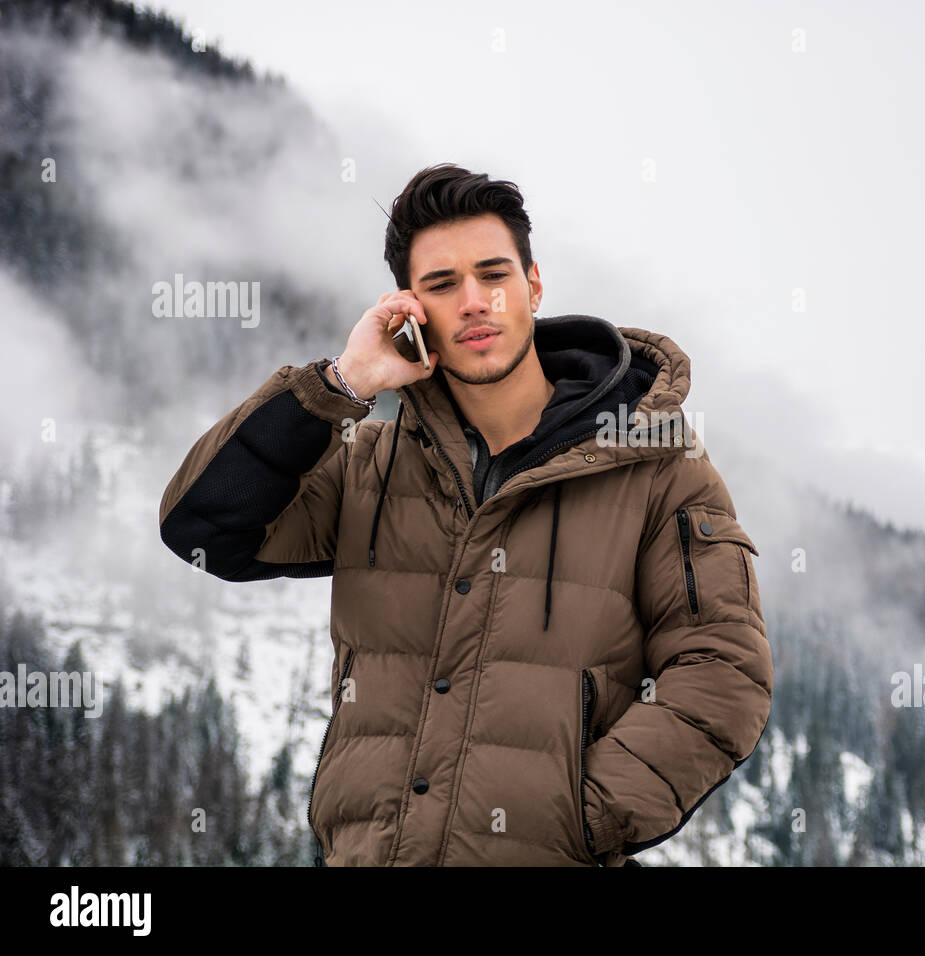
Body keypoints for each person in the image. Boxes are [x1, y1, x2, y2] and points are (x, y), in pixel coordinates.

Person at [158, 163, 772, 866]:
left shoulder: (659, 468)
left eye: (494, 275)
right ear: (409, 310)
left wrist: (578, 819)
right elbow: (204, 528)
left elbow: (722, 673)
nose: (474, 301)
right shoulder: (370, 464)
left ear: (533, 285)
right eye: (443, 285)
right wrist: (342, 384)